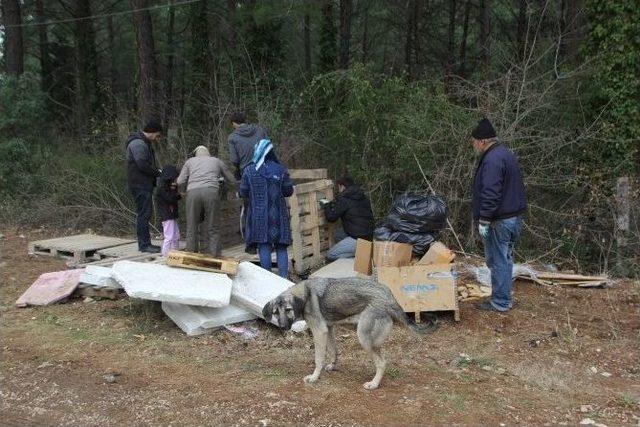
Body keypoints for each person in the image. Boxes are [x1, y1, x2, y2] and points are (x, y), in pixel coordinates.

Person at [471, 118, 527, 313]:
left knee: (498, 260)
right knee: (506, 258)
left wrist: (484, 219)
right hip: (513, 217)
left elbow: (491, 192)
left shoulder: (492, 160)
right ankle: (503, 297)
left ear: (483, 141)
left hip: (500, 220)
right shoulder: (505, 154)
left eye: (475, 141)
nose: (474, 145)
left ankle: (500, 302)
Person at [240, 139, 294, 278]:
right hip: (279, 215)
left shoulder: (249, 170)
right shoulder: (280, 169)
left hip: (259, 216)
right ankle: (283, 279)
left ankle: (268, 280)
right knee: (281, 246)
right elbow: (288, 191)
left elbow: (243, 192)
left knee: (264, 245)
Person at [176, 145, 236, 256]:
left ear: (196, 154)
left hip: (193, 193)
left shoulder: (189, 162)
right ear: (208, 153)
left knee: (192, 225)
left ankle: (191, 254)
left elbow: (180, 181)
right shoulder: (216, 161)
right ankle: (214, 255)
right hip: (211, 191)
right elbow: (231, 179)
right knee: (213, 226)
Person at [125, 120, 163, 253]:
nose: (158, 138)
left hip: (142, 183)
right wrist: (158, 173)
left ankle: (145, 243)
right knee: (144, 214)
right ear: (152, 132)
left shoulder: (143, 142)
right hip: (139, 184)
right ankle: (144, 245)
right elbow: (142, 165)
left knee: (144, 214)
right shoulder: (139, 144)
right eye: (158, 135)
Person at [321, 177, 375, 261]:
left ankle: (360, 255)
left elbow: (331, 218)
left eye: (339, 187)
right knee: (335, 234)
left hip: (357, 238)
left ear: (342, 186)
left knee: (330, 255)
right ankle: (364, 249)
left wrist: (326, 205)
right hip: (369, 236)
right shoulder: (363, 197)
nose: (339, 190)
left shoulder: (344, 199)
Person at [227, 111, 269, 179]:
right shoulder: (260, 130)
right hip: (264, 169)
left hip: (247, 173)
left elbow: (234, 160)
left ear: (234, 123)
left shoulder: (232, 137)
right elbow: (269, 149)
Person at [156, 164, 181, 257]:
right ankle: (165, 255)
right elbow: (170, 199)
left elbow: (172, 198)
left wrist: (176, 191)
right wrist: (178, 195)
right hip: (167, 214)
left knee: (176, 236)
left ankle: (175, 254)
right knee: (169, 236)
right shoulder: (162, 187)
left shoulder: (169, 186)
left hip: (171, 214)